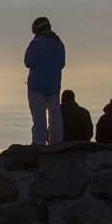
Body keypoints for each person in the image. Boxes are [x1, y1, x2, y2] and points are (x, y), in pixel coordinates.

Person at [24, 16, 66, 145]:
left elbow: (28, 62)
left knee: (39, 115)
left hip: (37, 85)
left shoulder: (36, 43)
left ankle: (38, 141)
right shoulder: (59, 44)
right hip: (53, 84)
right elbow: (62, 64)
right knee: (55, 114)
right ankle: (57, 140)